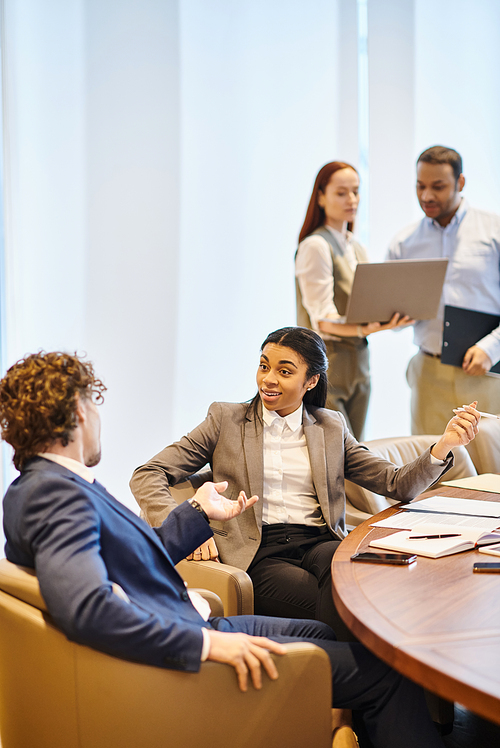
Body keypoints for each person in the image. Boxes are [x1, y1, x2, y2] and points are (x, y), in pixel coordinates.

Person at [0, 351, 454, 748]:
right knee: (387, 674)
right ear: (78, 415)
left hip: (184, 615)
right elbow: (87, 608)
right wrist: (207, 642)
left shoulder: (43, 485)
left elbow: (129, 559)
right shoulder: (55, 496)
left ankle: (339, 726)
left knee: (323, 633)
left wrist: (197, 512)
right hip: (182, 647)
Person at [131, 326, 479, 645]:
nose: (268, 379)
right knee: (359, 605)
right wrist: (186, 525)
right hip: (260, 552)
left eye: (284, 371)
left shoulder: (330, 426)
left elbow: (395, 483)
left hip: (320, 543)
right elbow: (148, 474)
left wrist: (444, 445)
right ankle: (352, 695)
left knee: (356, 581)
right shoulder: (225, 419)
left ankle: (340, 696)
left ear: (311, 381)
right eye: (264, 366)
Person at [388, 145, 500, 435]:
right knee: (429, 470)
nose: (426, 196)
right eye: (420, 186)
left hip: (486, 373)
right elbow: (392, 317)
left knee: (489, 472)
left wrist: (491, 348)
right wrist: (393, 317)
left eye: (438, 187)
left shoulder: (494, 231)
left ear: (460, 183)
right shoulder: (404, 242)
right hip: (429, 375)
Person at [295, 161, 412, 440]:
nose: (352, 200)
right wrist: (364, 328)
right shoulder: (315, 245)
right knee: (336, 452)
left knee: (355, 450)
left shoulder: (355, 246)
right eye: (341, 193)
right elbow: (322, 318)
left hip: (359, 359)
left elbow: (365, 306)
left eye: (356, 192)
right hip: (328, 362)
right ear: (321, 197)